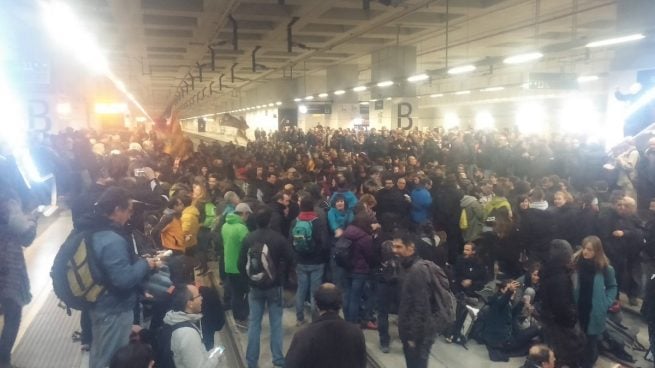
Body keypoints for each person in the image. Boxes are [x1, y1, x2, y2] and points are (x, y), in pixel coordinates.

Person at [85, 187, 157, 368]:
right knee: (111, 358)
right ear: (117, 210)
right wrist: (145, 264)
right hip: (113, 309)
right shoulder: (111, 240)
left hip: (101, 305)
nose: (130, 215)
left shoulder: (96, 230)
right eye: (129, 210)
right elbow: (123, 280)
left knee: (100, 352)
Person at [238, 207, 294, 368]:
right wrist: (281, 276)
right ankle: (277, 359)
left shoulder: (249, 238)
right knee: (276, 322)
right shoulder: (278, 238)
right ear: (270, 221)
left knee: (254, 322)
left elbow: (240, 263)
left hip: (255, 287)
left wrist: (249, 280)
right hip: (274, 286)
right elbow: (290, 259)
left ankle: (252, 361)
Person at [285, 283, 366, 368]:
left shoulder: (304, 336)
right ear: (340, 305)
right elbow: (361, 363)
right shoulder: (356, 333)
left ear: (316, 305)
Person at [0, 189, 38, 368]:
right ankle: (3, 359)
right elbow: (26, 235)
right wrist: (31, 218)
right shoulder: (6, 200)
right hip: (6, 265)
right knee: (13, 312)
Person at [392, 233, 437, 368]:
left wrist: (413, 336)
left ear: (410, 248)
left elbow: (421, 306)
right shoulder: (406, 267)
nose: (394, 250)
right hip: (412, 331)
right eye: (393, 246)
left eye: (399, 247)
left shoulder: (417, 271)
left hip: (419, 335)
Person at [572, 236, 618, 368]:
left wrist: (606, 301)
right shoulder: (575, 263)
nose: (585, 252)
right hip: (577, 308)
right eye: (584, 248)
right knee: (576, 340)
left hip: (594, 311)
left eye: (590, 249)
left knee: (591, 343)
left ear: (597, 251)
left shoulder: (605, 268)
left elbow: (612, 286)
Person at [289, 196, 329, 326]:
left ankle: (299, 318)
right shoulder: (318, 222)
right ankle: (315, 320)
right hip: (317, 262)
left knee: (301, 289)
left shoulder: (295, 222)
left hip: (300, 261)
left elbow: (290, 241)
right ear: (312, 207)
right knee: (314, 291)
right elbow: (324, 243)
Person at [163, 284, 221, 368]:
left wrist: (211, 353)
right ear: (190, 303)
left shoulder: (177, 319)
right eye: (199, 295)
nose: (202, 298)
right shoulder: (187, 334)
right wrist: (216, 357)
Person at [221, 202, 252, 327]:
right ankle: (241, 317)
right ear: (244, 213)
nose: (248, 217)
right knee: (247, 292)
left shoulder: (225, 225)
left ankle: (237, 317)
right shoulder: (241, 228)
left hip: (228, 264)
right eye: (248, 214)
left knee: (235, 293)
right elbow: (249, 245)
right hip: (240, 266)